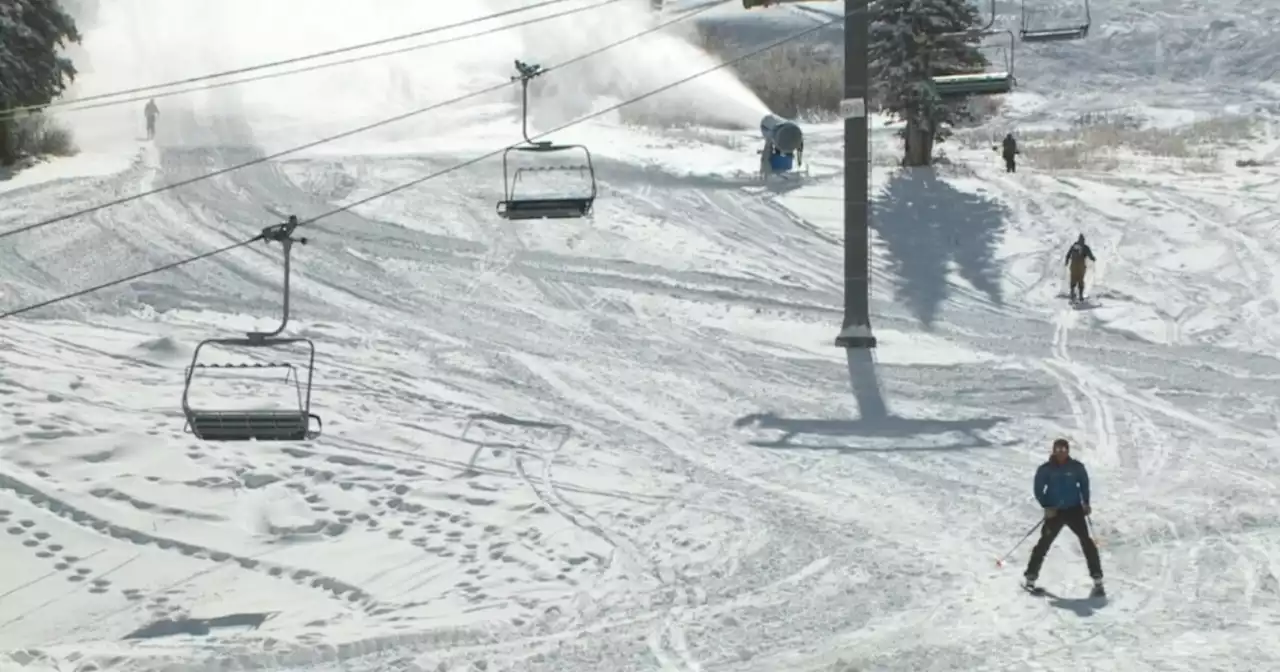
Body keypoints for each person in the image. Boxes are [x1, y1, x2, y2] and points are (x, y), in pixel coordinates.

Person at [1024, 438, 1104, 596]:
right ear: (1053, 451)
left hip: (1074, 510)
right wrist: (1047, 507)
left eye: (1064, 450)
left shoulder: (1076, 467)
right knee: (1044, 543)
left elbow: (1084, 485)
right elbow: (1039, 489)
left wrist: (1086, 503)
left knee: (1087, 542)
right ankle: (1031, 578)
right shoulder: (1046, 469)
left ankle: (1097, 579)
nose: (1061, 453)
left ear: (1068, 451)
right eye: (1058, 450)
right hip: (1055, 511)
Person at [1064, 234, 1095, 302]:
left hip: (1073, 266)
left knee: (1073, 279)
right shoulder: (1085, 247)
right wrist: (1093, 258)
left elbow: (1068, 255)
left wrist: (1066, 261)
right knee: (1080, 280)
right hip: (1081, 267)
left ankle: (1072, 293)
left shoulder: (1074, 246)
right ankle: (1080, 295)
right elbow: (1090, 256)